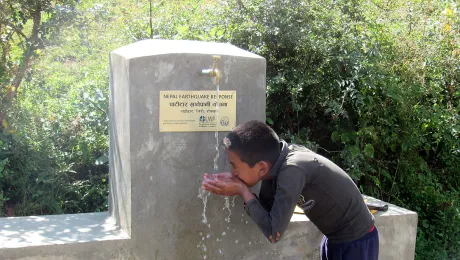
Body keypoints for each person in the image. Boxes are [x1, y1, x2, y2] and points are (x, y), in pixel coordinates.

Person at [201, 120, 379, 260]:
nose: (233, 172)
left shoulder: (293, 170)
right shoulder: (277, 164)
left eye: (235, 166)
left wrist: (242, 190)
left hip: (356, 240)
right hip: (334, 238)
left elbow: (274, 233)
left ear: (261, 168)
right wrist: (241, 185)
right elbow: (266, 210)